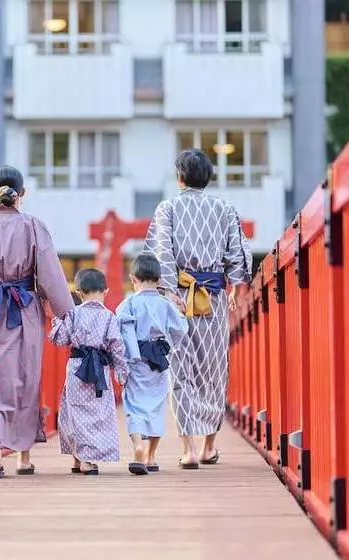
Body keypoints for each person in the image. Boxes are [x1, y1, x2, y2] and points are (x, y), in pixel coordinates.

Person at [0, 165, 74, 478]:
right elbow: (50, 275)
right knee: (26, 378)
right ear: (21, 194)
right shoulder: (34, 226)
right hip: (25, 309)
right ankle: (24, 457)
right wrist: (68, 314)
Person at [145, 149, 252, 469]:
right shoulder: (224, 208)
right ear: (208, 177)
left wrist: (167, 292)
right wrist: (235, 286)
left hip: (179, 296)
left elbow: (161, 252)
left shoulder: (168, 208)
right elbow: (238, 254)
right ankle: (209, 446)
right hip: (214, 297)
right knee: (213, 368)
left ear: (178, 177)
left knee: (181, 371)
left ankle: (188, 448)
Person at [49, 269, 128, 475]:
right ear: (106, 291)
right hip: (99, 369)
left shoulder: (73, 314)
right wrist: (120, 371)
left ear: (78, 293)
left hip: (76, 367)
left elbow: (59, 339)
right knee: (97, 413)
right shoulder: (109, 317)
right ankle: (88, 459)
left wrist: (58, 320)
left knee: (75, 411)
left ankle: (78, 458)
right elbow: (117, 345)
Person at [116, 254, 188, 475]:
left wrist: (125, 359)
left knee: (135, 406)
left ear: (133, 279)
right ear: (159, 281)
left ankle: (138, 446)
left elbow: (119, 331)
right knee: (156, 406)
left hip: (135, 361)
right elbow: (181, 328)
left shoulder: (128, 304)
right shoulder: (164, 303)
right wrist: (169, 345)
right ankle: (151, 456)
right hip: (158, 361)